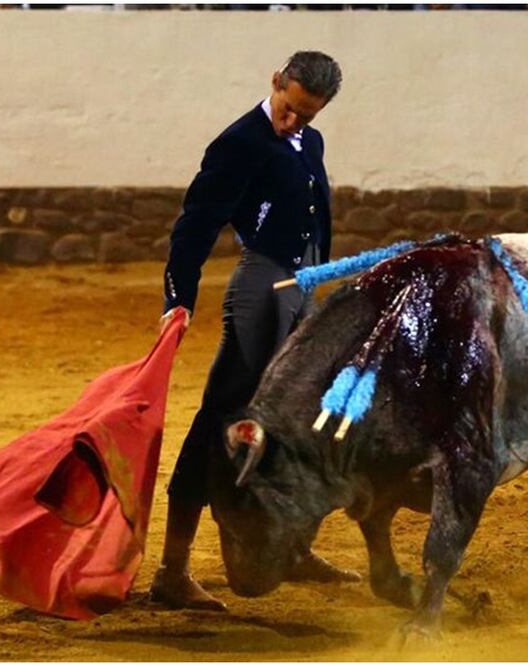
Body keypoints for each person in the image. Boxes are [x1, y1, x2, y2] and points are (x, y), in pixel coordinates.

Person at [151, 51, 358, 610]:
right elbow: (195, 225)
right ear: (275, 82)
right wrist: (179, 298)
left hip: (301, 288)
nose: (293, 122)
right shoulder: (238, 142)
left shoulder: (308, 142)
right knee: (225, 414)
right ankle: (172, 570)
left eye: (307, 115)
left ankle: (292, 548)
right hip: (262, 290)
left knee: (296, 423)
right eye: (289, 109)